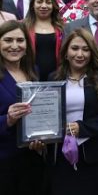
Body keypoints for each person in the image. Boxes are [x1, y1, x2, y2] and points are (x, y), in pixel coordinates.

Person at [39, 28, 98, 195]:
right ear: (66, 52)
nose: (80, 54)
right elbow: (45, 113)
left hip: (94, 156)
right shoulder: (53, 79)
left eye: (85, 49)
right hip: (60, 157)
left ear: (92, 53)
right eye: (74, 48)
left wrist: (82, 128)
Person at [0, 20, 43, 195]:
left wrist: (43, 137)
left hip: (32, 157)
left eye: (20, 40)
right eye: (8, 40)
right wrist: (7, 120)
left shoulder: (34, 71)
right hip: (4, 160)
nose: (14, 46)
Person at [24, 0, 64, 81]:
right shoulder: (22, 26)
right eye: (39, 1)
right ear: (33, 4)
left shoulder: (63, 27)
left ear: (54, 5)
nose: (44, 6)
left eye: (48, 2)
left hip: (57, 79)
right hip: (29, 78)